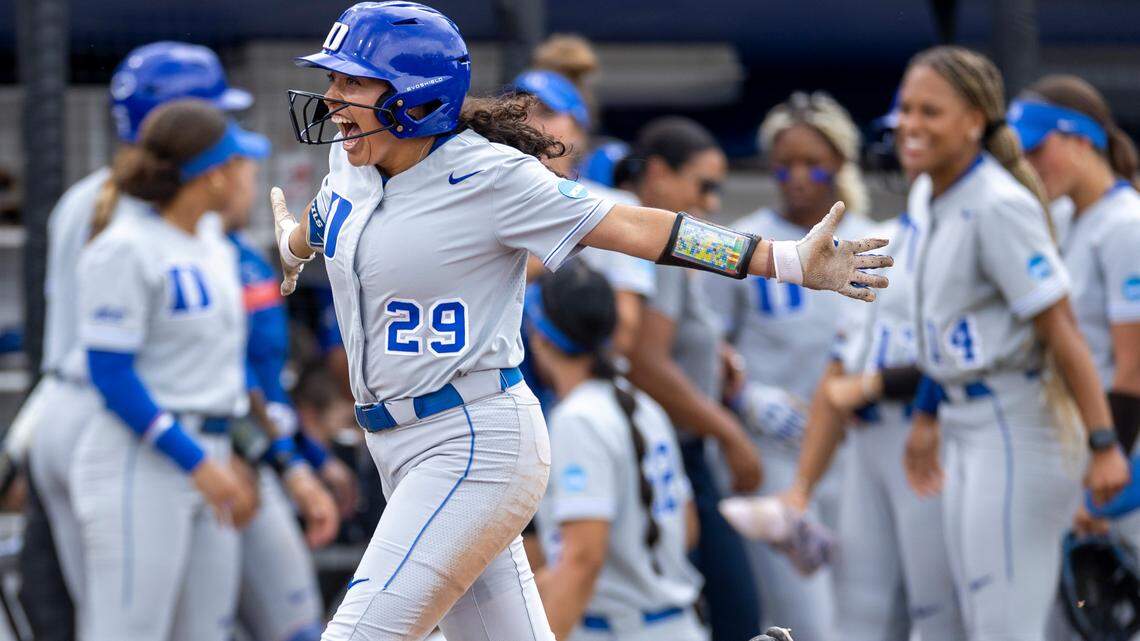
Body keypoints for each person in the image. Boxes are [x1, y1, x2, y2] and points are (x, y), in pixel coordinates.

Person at [272, 3, 890, 639]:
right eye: (333, 79)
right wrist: (292, 248)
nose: (332, 98)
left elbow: (638, 228)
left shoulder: (490, 176)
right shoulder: (352, 165)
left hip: (471, 440)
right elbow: (326, 219)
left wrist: (780, 259)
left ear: (416, 97)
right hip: (399, 444)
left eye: (352, 81)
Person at [10, 41, 254, 641]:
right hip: (106, 411)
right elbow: (108, 363)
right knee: (123, 622)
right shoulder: (116, 212)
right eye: (211, 113)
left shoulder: (187, 229)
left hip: (128, 408)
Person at [897, 46, 1130, 641]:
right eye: (906, 109)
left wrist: (1105, 443)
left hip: (1016, 421)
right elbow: (947, 324)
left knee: (1006, 627)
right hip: (964, 417)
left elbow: (1062, 330)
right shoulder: (931, 194)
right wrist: (926, 413)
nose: (911, 124)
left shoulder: (999, 204)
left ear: (974, 120)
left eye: (930, 111)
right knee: (977, 619)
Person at [723, 171, 967, 641]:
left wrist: (874, 385)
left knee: (940, 615)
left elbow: (973, 355)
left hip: (936, 436)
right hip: (845, 445)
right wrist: (799, 487)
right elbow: (835, 380)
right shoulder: (885, 240)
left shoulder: (961, 231)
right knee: (855, 616)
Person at [72, 99, 266, 641]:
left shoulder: (213, 243)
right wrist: (195, 460)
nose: (243, 173)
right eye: (234, 161)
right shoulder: (125, 247)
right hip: (142, 459)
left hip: (213, 450)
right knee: (127, 633)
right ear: (211, 174)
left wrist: (235, 453)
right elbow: (110, 375)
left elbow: (220, 373)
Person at [706, 91, 874, 641]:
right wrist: (747, 396)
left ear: (840, 162)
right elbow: (708, 342)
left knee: (864, 616)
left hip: (855, 453)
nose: (797, 177)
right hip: (774, 451)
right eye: (785, 164)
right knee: (803, 622)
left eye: (812, 163)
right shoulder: (744, 240)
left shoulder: (875, 239)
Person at [614, 115, 763, 641]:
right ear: (658, 174)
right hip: (668, 452)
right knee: (729, 613)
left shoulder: (657, 232)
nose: (712, 202)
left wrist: (712, 351)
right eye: (703, 185)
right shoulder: (655, 237)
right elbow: (646, 361)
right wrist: (730, 433)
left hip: (674, 447)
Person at [525, 261, 704, 640]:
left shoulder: (578, 419)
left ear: (539, 336)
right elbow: (686, 529)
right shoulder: (642, 404)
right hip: (673, 623)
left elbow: (583, 560)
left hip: (621, 629)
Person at [222, 194, 344, 641]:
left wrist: (302, 461)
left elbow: (265, 387)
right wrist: (288, 464)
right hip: (204, 459)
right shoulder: (177, 253)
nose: (248, 182)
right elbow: (223, 380)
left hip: (254, 457)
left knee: (300, 627)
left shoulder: (246, 255)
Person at [1009, 75, 1140, 459]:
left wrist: (1108, 458)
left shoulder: (1126, 224)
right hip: (1073, 437)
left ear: (1082, 142)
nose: (1027, 166)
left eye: (1036, 150)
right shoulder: (1062, 217)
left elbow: (1134, 369)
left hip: (1118, 442)